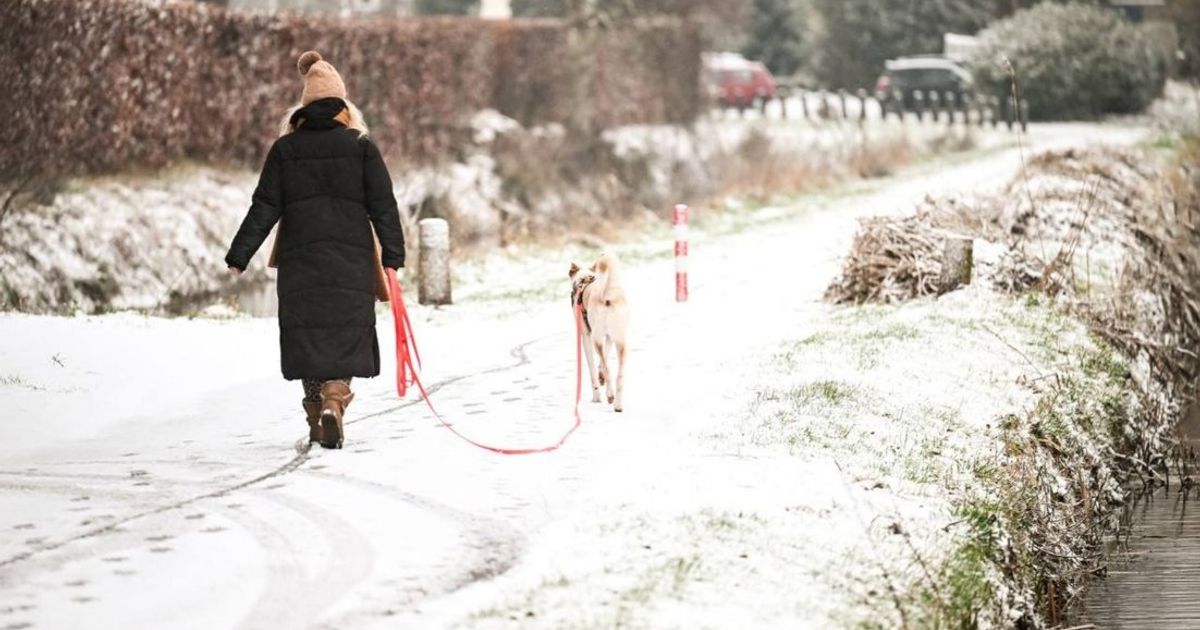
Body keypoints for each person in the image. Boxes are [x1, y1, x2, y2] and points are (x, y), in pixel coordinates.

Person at [225, 51, 405, 450]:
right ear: (344, 107)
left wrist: (240, 255)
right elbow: (383, 205)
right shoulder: (361, 146)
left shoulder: (285, 150)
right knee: (346, 337)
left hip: (300, 263)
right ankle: (335, 401)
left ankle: (314, 414)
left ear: (302, 109)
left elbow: (264, 205)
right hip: (352, 263)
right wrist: (393, 256)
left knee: (308, 339)